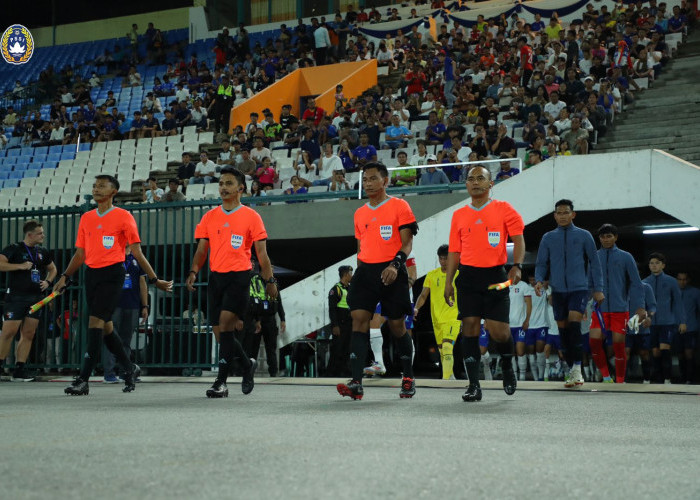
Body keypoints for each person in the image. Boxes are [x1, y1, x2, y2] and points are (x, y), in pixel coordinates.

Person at [54, 176, 172, 395]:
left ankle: (83, 379)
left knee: (95, 324)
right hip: (92, 275)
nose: (96, 189)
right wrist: (65, 276)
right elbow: (80, 253)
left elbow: (137, 252)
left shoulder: (124, 217)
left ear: (114, 191)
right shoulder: (87, 218)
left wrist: (155, 279)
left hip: (113, 274)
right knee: (106, 326)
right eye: (94, 186)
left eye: (102, 186)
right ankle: (129, 368)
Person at [186, 167, 277, 398]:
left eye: (228, 183)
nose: (223, 187)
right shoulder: (209, 216)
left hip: (239, 277)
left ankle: (221, 383)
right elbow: (201, 249)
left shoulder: (251, 216)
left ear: (240, 188)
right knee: (220, 334)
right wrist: (194, 270)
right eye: (221, 183)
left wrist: (270, 280)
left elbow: (262, 254)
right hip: (216, 278)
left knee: (226, 326)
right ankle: (247, 365)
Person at [337, 163, 418, 400]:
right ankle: (356, 383)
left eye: (373, 179)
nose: (368, 183)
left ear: (385, 181)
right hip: (366, 273)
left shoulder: (400, 206)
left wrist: (395, 264)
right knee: (358, 321)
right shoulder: (359, 213)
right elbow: (361, 247)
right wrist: (361, 275)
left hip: (393, 270)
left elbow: (407, 243)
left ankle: (408, 377)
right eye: (365, 180)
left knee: (396, 326)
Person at [445, 165, 525, 402]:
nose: (475, 182)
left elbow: (519, 240)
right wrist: (449, 281)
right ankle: (473, 384)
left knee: (498, 331)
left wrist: (517, 265)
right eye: (471, 179)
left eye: (481, 178)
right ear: (466, 184)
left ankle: (508, 366)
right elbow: (454, 252)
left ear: (491, 184)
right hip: (468, 278)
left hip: (495, 279)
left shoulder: (504, 209)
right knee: (468, 326)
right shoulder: (458, 215)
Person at [534, 199, 604, 388]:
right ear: (555, 215)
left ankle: (578, 370)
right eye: (559, 213)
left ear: (573, 214)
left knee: (574, 327)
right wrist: (539, 280)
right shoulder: (548, 237)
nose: (563, 216)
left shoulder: (584, 235)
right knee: (563, 332)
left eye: (566, 212)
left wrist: (598, 289)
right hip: (558, 290)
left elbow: (595, 263)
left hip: (579, 288)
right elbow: (541, 263)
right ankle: (571, 368)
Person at [0, 221, 57, 381]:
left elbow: (53, 269)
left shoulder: (42, 251)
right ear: (30, 234)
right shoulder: (13, 248)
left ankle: (19, 369)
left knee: (29, 334)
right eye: (40, 233)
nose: (43, 236)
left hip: (35, 298)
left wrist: (48, 282)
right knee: (8, 332)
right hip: (16, 297)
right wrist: (19, 266)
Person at [589, 224, 646, 384]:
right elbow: (589, 283)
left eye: (609, 236)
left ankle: (620, 381)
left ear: (616, 237)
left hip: (620, 309)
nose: (606, 239)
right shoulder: (594, 257)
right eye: (603, 237)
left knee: (618, 345)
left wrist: (640, 306)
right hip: (599, 309)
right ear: (599, 238)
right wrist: (582, 306)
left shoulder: (626, 257)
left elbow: (636, 283)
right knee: (594, 343)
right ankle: (606, 378)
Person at [414, 245, 461, 380]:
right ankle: (450, 376)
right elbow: (423, 295)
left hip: (453, 318)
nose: (443, 261)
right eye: (441, 258)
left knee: (447, 348)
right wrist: (416, 308)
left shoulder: (457, 275)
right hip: (436, 319)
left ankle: (445, 381)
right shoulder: (432, 275)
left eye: (446, 258)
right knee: (443, 352)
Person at [101, 248, 149, 383]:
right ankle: (109, 374)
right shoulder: (114, 255)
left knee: (126, 340)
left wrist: (145, 305)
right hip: (115, 304)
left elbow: (142, 283)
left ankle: (125, 372)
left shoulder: (138, 258)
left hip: (132, 305)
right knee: (111, 338)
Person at [643, 253, 685, 384]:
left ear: (663, 265)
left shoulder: (671, 281)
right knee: (655, 352)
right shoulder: (644, 282)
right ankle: (658, 379)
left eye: (657, 263)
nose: (654, 265)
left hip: (667, 322)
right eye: (651, 263)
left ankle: (667, 379)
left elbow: (678, 302)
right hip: (651, 323)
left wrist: (682, 321)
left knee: (664, 348)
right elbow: (640, 303)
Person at [245, 266, 285, 377]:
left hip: (270, 319)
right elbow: (252, 300)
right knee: (253, 348)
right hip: (257, 319)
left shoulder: (274, 282)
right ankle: (249, 372)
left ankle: (273, 373)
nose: (272, 271)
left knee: (271, 348)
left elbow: (279, 301)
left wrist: (283, 319)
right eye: (270, 269)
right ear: (264, 270)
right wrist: (256, 319)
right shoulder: (254, 280)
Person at [626, 281, 656, 384]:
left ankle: (647, 380)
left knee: (644, 353)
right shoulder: (620, 286)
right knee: (625, 352)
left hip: (642, 327)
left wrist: (649, 317)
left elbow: (652, 306)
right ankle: (622, 381)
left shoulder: (646, 287)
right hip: (625, 326)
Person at [328, 265, 353, 376]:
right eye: (350, 273)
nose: (351, 276)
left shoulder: (350, 288)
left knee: (347, 350)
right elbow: (332, 309)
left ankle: (345, 371)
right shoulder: (336, 289)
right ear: (346, 274)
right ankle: (331, 373)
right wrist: (335, 326)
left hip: (349, 324)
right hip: (340, 325)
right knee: (337, 350)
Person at [677, 272, 700, 384]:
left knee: (689, 353)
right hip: (676, 328)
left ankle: (689, 379)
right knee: (680, 354)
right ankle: (682, 377)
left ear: (688, 280)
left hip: (691, 328)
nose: (682, 281)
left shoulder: (695, 292)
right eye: (680, 279)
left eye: (684, 279)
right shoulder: (674, 292)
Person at [510, 276, 533, 381]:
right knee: (510, 352)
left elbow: (529, 305)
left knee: (520, 351)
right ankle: (514, 376)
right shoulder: (505, 285)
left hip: (520, 324)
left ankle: (522, 376)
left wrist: (527, 320)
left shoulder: (524, 286)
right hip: (508, 324)